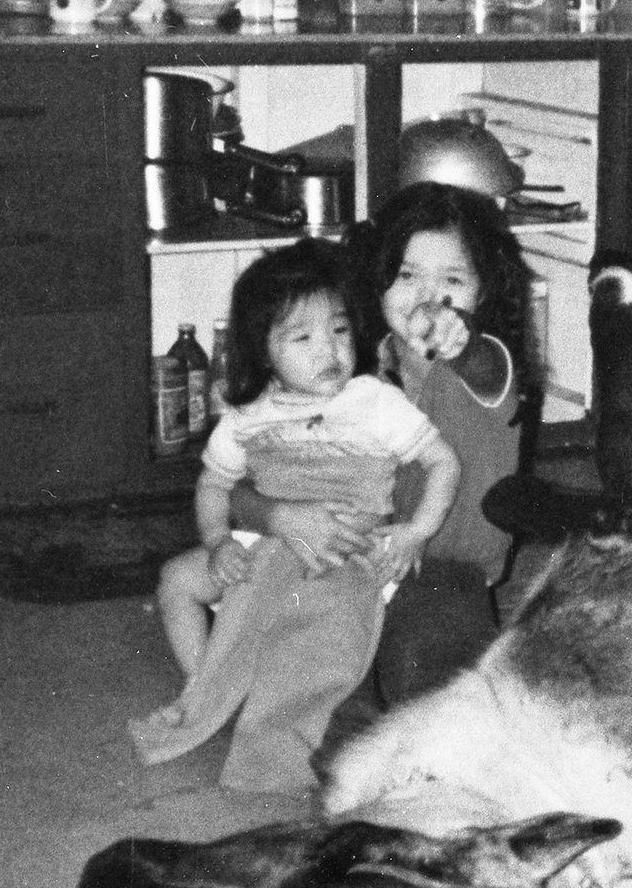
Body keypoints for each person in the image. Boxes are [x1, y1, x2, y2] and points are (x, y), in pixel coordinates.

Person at [131, 237, 462, 793]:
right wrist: (217, 542)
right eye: (302, 337)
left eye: (338, 330)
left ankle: (273, 724)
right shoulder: (247, 415)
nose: (327, 350)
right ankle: (207, 687)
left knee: (315, 641)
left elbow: (442, 462)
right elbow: (213, 483)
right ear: (264, 352)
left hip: (347, 551)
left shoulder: (372, 401)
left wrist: (417, 532)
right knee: (176, 581)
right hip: (266, 547)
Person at [228, 181, 538, 734]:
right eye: (408, 275)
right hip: (341, 562)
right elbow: (240, 485)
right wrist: (282, 517)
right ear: (378, 279)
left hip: (441, 570)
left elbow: (480, 360)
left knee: (432, 679)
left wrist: (462, 337)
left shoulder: (486, 365)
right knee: (293, 671)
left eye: (453, 281)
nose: (429, 297)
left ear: (485, 290)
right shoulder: (343, 366)